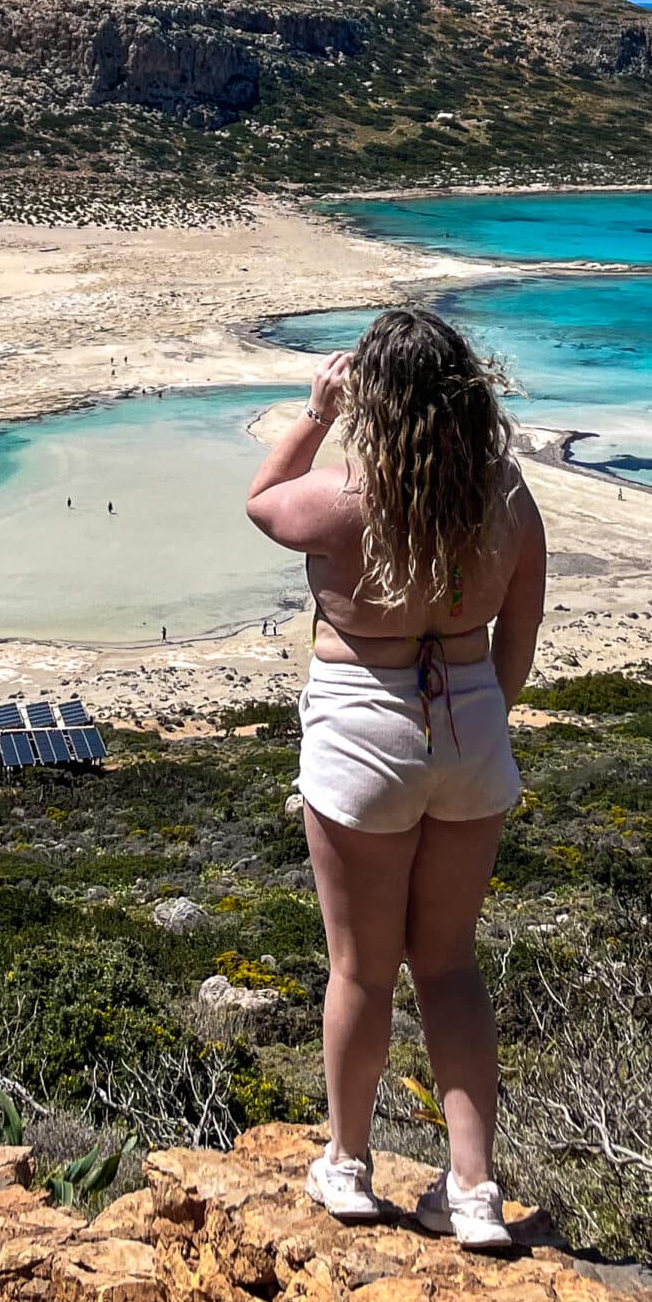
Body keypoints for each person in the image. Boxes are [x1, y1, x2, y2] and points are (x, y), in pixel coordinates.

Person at [246, 309, 545, 1251]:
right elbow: (519, 644)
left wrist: (314, 412)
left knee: (360, 967)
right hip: (468, 728)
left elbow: (264, 500)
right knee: (449, 966)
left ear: (374, 398)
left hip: (361, 732)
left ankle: (347, 1164)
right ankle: (473, 1190)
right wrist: (469, 721)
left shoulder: (343, 500)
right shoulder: (506, 499)